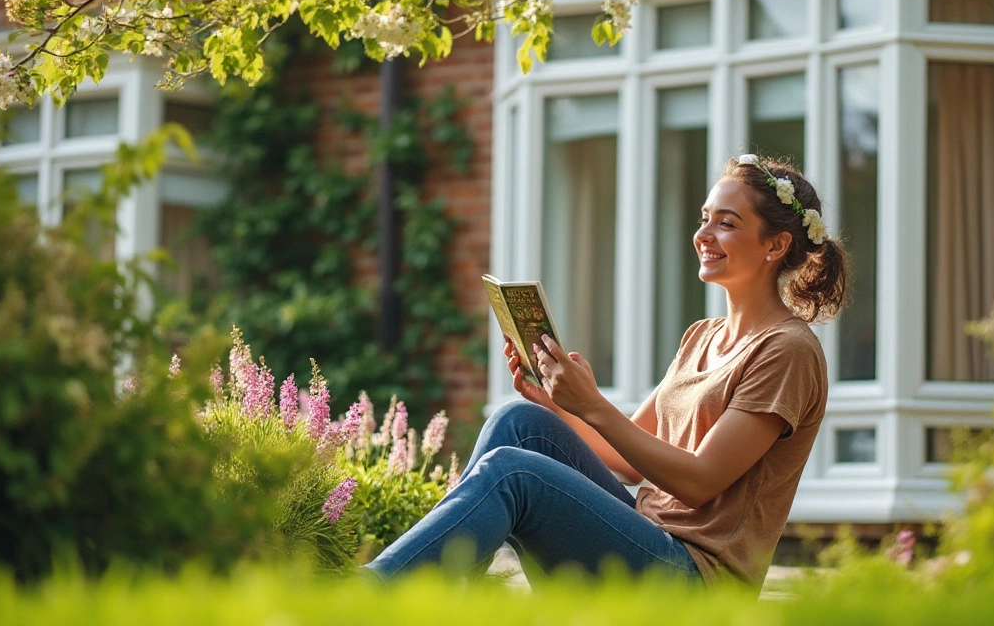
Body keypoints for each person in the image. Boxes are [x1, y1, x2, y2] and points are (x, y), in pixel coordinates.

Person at [362, 154, 850, 588]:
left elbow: (701, 481)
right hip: (643, 535)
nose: (703, 235)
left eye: (726, 223)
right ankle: (431, 590)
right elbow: (630, 462)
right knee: (520, 424)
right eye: (704, 219)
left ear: (775, 244)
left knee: (512, 473)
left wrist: (592, 404)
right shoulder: (702, 335)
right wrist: (559, 402)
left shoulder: (788, 350)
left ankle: (374, 595)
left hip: (694, 575)